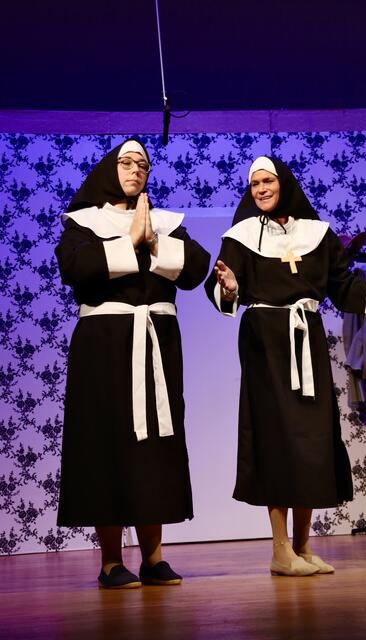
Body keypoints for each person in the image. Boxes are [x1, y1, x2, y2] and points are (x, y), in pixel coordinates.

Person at [205, 156, 366, 577]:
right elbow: (220, 289)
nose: (261, 189)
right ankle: (280, 549)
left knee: (309, 439)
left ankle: (303, 547)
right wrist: (230, 288)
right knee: (275, 441)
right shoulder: (240, 236)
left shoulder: (316, 234)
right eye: (254, 184)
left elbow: (343, 288)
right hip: (265, 343)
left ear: (283, 183)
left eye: (267, 181)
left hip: (306, 338)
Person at [55, 139, 210, 588]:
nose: (135, 169)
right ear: (110, 169)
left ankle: (153, 558)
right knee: (106, 445)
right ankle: (110, 562)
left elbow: (196, 268)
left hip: (156, 344)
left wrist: (153, 239)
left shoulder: (163, 222)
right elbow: (74, 267)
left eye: (142, 164)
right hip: (103, 346)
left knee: (154, 445)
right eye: (126, 162)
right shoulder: (84, 221)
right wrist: (129, 241)